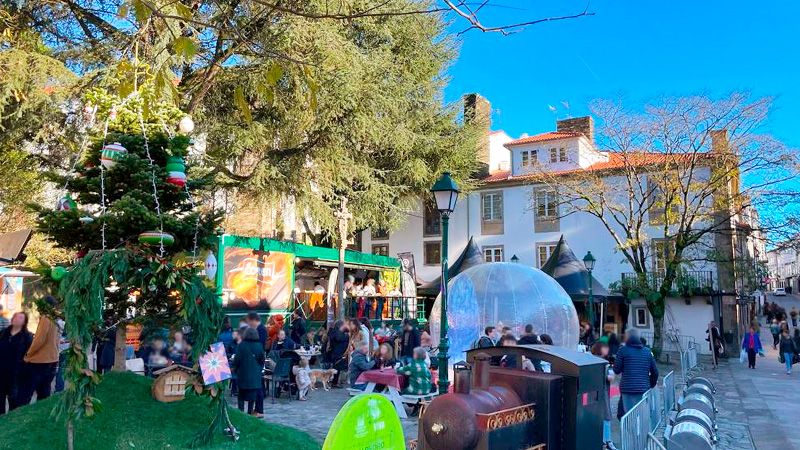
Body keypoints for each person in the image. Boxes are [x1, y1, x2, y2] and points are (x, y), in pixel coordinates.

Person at [18, 298, 61, 406]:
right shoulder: (54, 319)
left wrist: (28, 354)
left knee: (26, 392)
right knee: (44, 393)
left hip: (40, 361)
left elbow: (39, 340)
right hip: (52, 359)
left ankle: (20, 416)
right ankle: (41, 415)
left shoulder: (45, 319)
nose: (37, 309)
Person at [613, 329, 658, 416]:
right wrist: (650, 384)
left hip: (627, 388)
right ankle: (641, 430)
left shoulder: (622, 350)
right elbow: (655, 372)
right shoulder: (647, 351)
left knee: (628, 416)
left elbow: (616, 370)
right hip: (643, 388)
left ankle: (630, 430)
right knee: (641, 416)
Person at [0, 312, 32, 414]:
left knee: (13, 401)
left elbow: (29, 355)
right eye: (16, 316)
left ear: (24, 322)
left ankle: (11, 422)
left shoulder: (27, 337)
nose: (17, 319)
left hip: (16, 375)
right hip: (1, 373)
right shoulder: (3, 333)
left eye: (20, 317)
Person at [232, 327, 265, 417]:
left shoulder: (241, 345)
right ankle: (250, 413)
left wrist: (236, 369)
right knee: (252, 398)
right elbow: (262, 360)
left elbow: (237, 360)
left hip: (243, 375)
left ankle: (241, 413)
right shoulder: (259, 345)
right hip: (255, 377)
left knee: (241, 396)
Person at [592, 341, 617, 450]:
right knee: (606, 415)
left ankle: (599, 440)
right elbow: (610, 378)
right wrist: (611, 369)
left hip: (592, 393)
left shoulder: (590, 359)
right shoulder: (605, 363)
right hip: (602, 393)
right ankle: (607, 440)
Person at [328, 320, 349, 387]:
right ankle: (334, 382)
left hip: (338, 352)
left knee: (338, 368)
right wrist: (347, 336)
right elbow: (338, 338)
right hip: (337, 352)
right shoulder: (336, 332)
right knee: (336, 367)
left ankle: (335, 382)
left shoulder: (336, 332)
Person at [54, 317, 70, 393]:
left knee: (59, 369)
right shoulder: (65, 324)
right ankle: (59, 388)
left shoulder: (56, 323)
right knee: (62, 369)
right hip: (65, 350)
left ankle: (58, 388)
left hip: (59, 350)